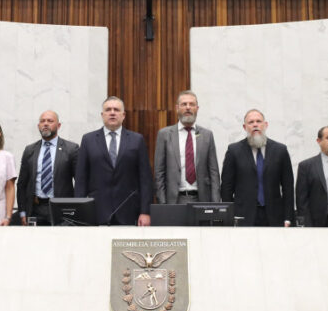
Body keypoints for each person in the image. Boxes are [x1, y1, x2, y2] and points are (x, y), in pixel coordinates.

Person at [75, 96, 154, 226]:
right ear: (102, 115)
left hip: (129, 212)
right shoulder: (88, 140)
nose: (112, 112)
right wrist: (80, 210)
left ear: (123, 115)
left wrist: (145, 211)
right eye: (108, 109)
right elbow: (81, 179)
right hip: (96, 212)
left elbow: (145, 179)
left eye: (116, 110)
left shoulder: (137, 140)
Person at [220, 109, 294, 227]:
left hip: (274, 216)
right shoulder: (234, 151)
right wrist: (230, 216)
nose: (255, 124)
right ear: (245, 127)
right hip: (243, 216)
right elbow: (226, 188)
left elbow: (288, 187)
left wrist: (288, 218)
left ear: (265, 125)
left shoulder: (280, 150)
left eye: (258, 121)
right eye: (251, 122)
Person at [154, 90, 220, 204]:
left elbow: (214, 173)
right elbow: (159, 173)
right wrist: (163, 203)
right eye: (184, 104)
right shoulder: (164, 135)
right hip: (174, 201)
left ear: (197, 108)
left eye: (192, 104)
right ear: (177, 108)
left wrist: (215, 204)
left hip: (202, 200)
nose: (188, 107)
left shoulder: (207, 135)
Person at [16, 110, 79, 225]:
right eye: (42, 121)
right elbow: (22, 184)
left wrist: (76, 209)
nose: (45, 124)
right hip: (35, 209)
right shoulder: (30, 150)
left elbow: (79, 182)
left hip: (62, 209)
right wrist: (22, 212)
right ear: (38, 126)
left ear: (58, 125)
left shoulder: (71, 149)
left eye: (50, 121)